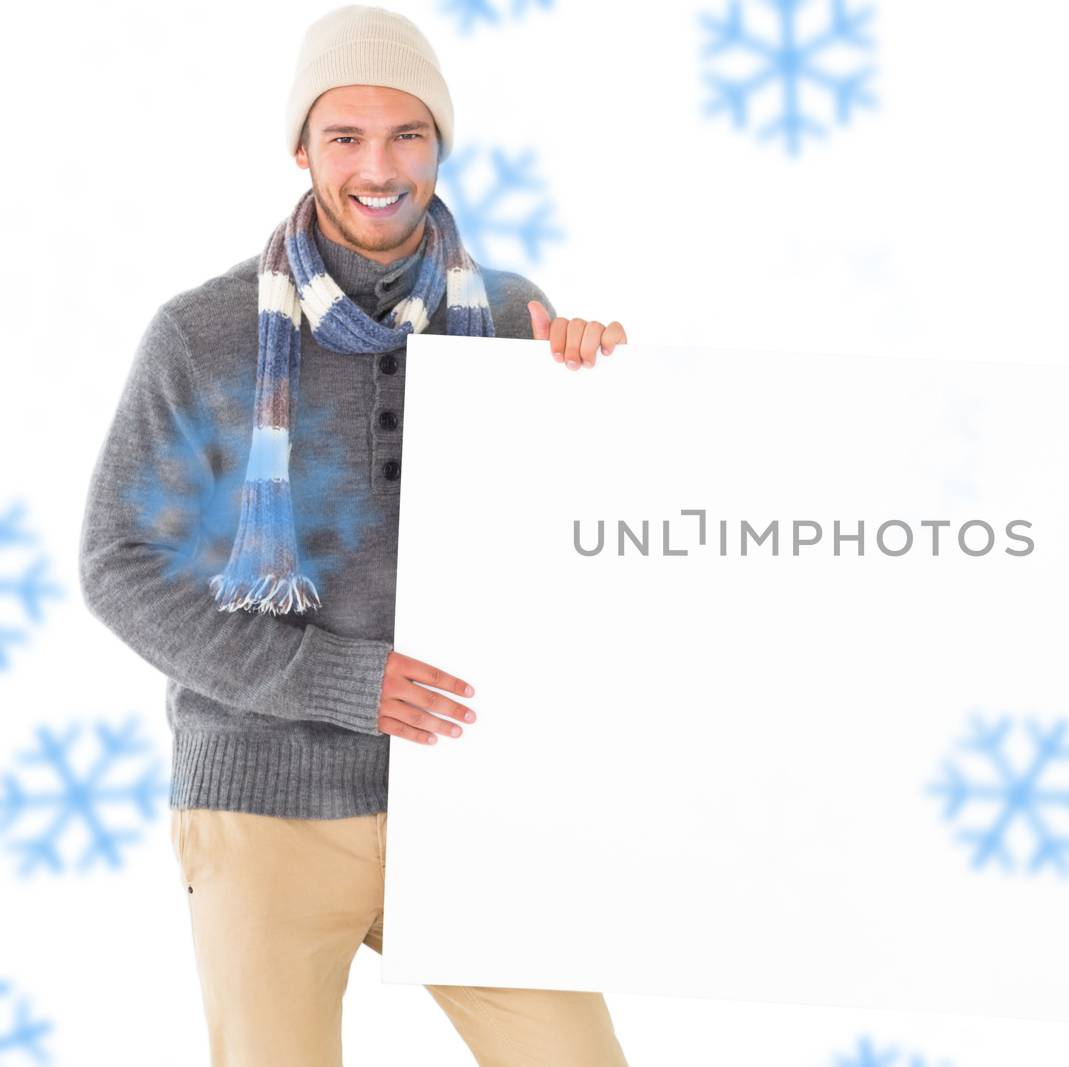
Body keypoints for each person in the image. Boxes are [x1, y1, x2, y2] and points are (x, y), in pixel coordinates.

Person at [78, 5, 630, 1064]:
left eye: (406, 135)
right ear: (302, 148)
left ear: (440, 145)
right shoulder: (202, 332)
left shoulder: (514, 314)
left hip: (474, 798)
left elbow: (565, 545)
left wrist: (595, 389)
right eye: (346, 137)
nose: (378, 166)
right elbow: (118, 564)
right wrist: (331, 677)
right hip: (267, 797)